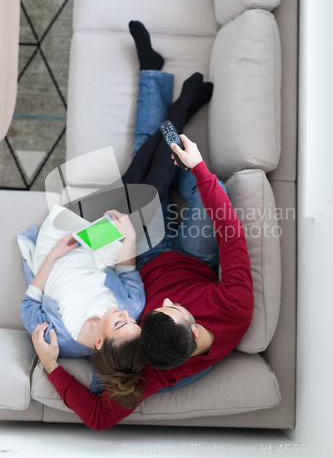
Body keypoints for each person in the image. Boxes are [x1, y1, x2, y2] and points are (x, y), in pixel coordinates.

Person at [31, 22, 254, 429]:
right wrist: (200, 170)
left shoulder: (148, 359)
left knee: (143, 180)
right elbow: (231, 233)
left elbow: (99, 417)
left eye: (154, 312)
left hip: (145, 253)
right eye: (171, 309)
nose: (163, 302)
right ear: (195, 326)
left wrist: (51, 366)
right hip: (195, 257)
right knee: (210, 192)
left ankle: (162, 90)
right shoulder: (233, 311)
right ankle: (179, 125)